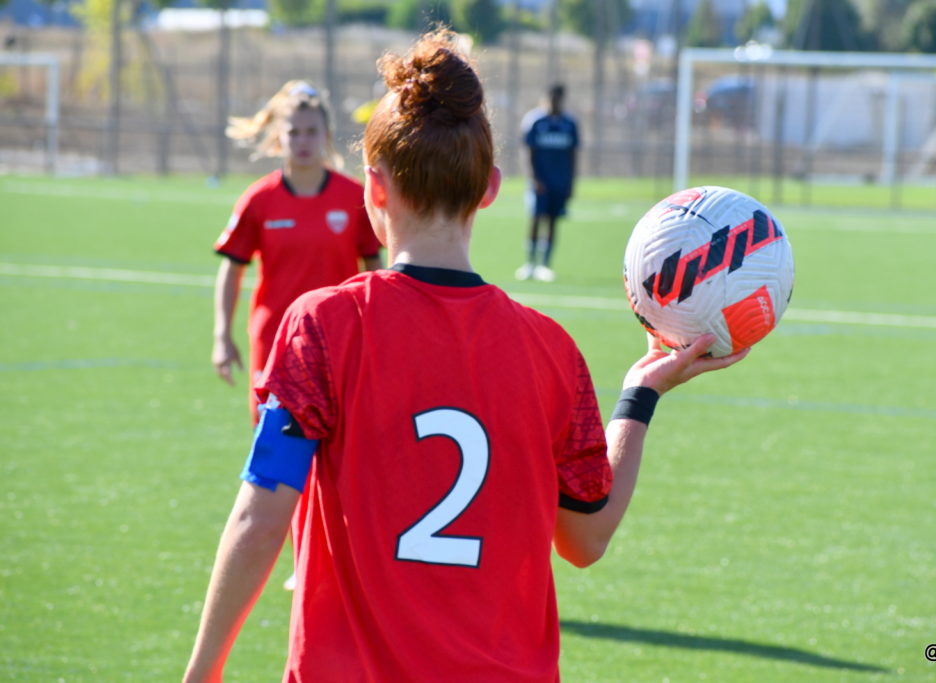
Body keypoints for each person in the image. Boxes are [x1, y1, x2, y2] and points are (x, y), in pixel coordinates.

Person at [183, 30, 747, 682]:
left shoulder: (323, 326)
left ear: (374, 188)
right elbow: (586, 540)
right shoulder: (551, 350)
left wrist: (204, 670)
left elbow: (260, 518)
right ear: (490, 188)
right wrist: (639, 395)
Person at [211, 79, 381, 425]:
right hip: (275, 337)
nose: (303, 141)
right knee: (274, 442)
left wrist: (375, 329)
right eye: (294, 132)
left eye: (311, 132)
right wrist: (222, 335)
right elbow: (232, 268)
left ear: (326, 135)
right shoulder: (259, 199)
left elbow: (373, 268)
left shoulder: (353, 197)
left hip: (337, 337)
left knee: (336, 440)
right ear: (279, 137)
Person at [516, 83, 579, 283]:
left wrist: (571, 183)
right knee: (535, 218)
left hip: (559, 181)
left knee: (552, 220)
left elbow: (573, 154)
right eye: (552, 99)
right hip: (540, 182)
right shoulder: (535, 121)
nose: (554, 103)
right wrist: (533, 178)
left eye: (558, 99)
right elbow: (527, 151)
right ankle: (529, 263)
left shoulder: (569, 123)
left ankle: (545, 265)